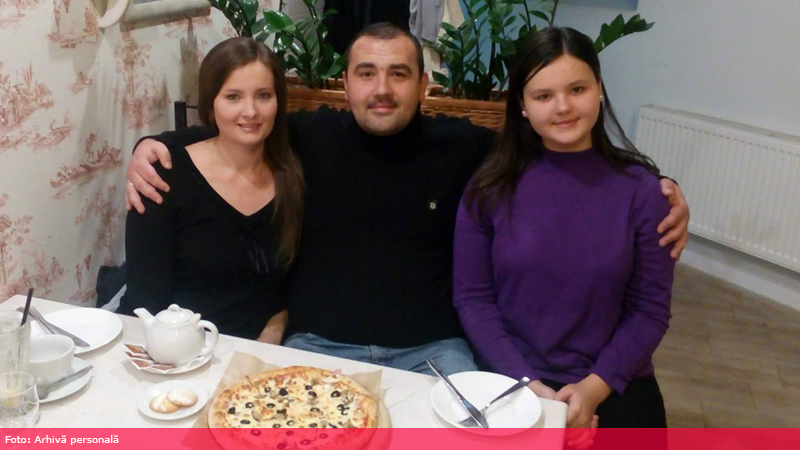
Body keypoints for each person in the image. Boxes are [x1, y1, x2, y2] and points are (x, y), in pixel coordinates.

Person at [124, 23, 690, 376]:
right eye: (366, 73)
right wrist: (156, 145)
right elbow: (238, 125)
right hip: (320, 343)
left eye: (399, 74)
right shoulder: (308, 136)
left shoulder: (466, 147)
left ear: (424, 86)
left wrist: (656, 187)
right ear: (345, 83)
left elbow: (555, 143)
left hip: (436, 351)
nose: (382, 89)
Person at [453, 27, 675, 434]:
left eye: (577, 89)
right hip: (510, 375)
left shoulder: (643, 191)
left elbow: (649, 311)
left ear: (599, 88)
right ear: (521, 105)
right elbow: (473, 298)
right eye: (543, 96)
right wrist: (527, 384)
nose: (563, 107)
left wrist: (592, 389)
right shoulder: (489, 188)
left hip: (614, 378)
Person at [117, 38, 304, 344]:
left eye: (263, 96)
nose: (251, 111)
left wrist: (275, 328)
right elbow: (145, 303)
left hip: (265, 352)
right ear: (211, 105)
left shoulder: (292, 172)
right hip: (175, 349)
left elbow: (291, 283)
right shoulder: (163, 177)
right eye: (233, 97)